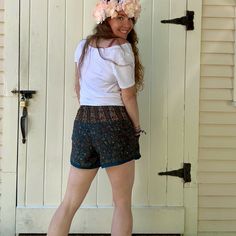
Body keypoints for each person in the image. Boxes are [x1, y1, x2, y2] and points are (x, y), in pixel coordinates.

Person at [47, 0, 144, 235]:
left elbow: (78, 88)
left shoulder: (83, 46)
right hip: (114, 122)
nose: (127, 24)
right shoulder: (121, 49)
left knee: (69, 202)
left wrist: (92, 116)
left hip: (83, 123)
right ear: (105, 19)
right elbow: (128, 96)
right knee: (121, 204)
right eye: (119, 18)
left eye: (129, 18)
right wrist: (136, 127)